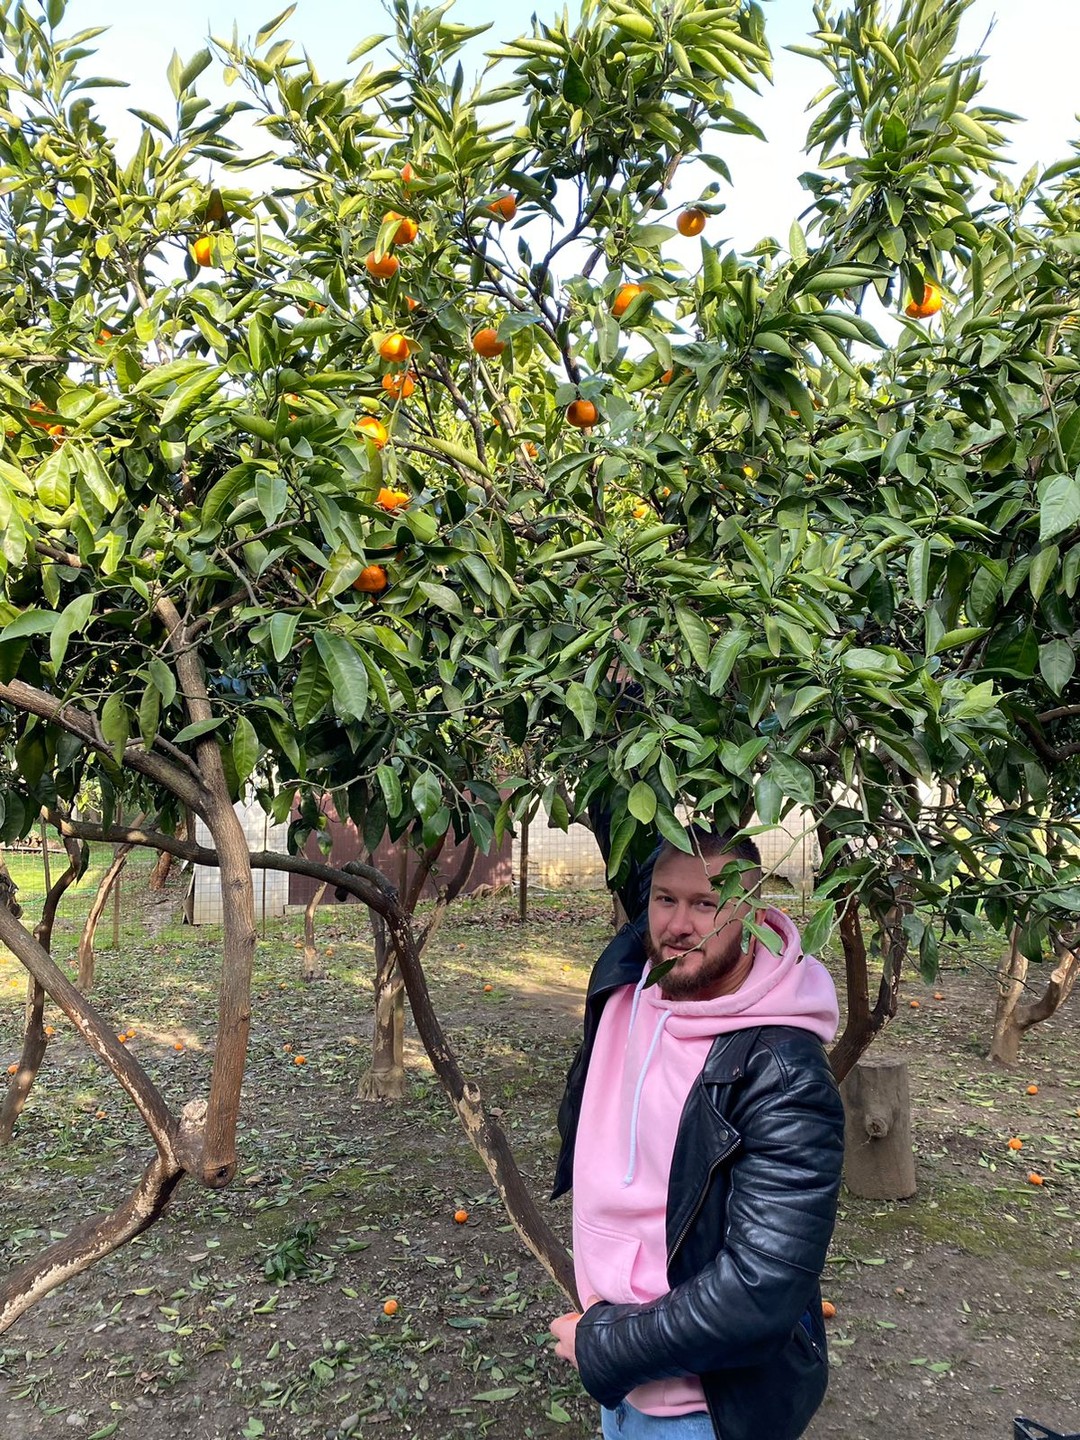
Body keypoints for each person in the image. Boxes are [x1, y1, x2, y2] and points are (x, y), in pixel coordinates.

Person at [549, 826, 845, 1440]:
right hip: (623, 1383)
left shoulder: (782, 1072)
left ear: (755, 916)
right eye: (665, 899)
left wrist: (603, 1344)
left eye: (707, 904)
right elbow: (620, 800)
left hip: (701, 1413)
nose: (679, 924)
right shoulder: (632, 981)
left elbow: (760, 1294)